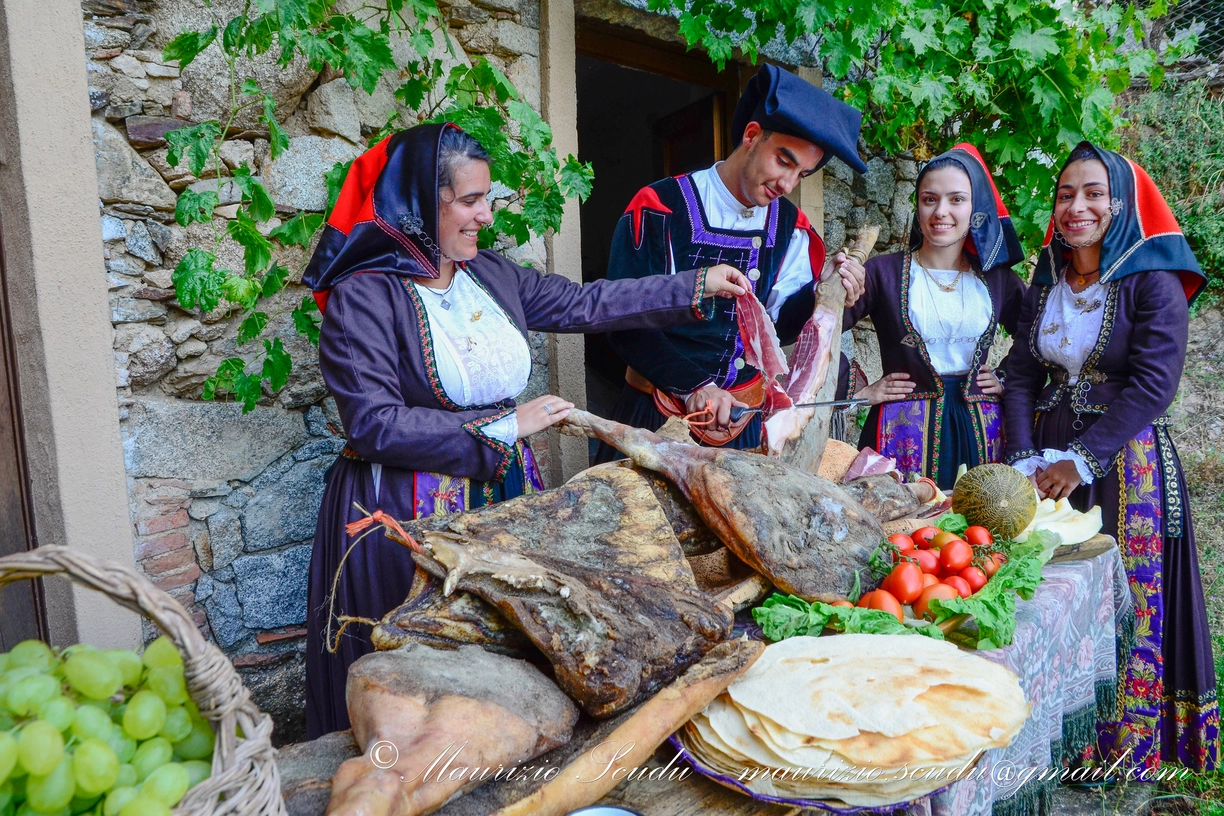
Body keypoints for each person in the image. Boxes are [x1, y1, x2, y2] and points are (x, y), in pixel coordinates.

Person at [300, 123, 749, 738]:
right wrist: (509, 424)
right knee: (412, 683)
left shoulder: (492, 276)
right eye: (469, 201)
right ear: (418, 204)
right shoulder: (364, 298)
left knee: (503, 670)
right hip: (405, 517)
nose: (485, 214)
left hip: (503, 501)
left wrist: (694, 286)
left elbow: (585, 303)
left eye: (487, 198)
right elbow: (374, 424)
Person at [1002, 142, 1217, 771]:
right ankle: (1060, 737)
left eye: (1094, 193)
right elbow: (1019, 374)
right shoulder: (1047, 279)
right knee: (1054, 595)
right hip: (1044, 458)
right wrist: (1021, 456)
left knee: (1122, 594)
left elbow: (1155, 383)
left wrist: (1081, 460)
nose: (1077, 207)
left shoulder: (1152, 278)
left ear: (1119, 204)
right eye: (1066, 194)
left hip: (1123, 463)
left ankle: (1125, 747)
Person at [592, 64, 868, 462]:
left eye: (801, 174)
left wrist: (826, 292)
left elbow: (779, 327)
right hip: (657, 420)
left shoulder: (792, 228)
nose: (788, 185)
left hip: (745, 428)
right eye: (784, 162)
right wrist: (694, 386)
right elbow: (624, 323)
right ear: (752, 136)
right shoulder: (660, 208)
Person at [842, 144, 1026, 489]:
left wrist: (1006, 378)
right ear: (918, 207)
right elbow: (818, 328)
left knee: (983, 529)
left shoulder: (997, 278)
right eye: (930, 199)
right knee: (900, 534)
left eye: (956, 200)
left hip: (983, 431)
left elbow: (1037, 336)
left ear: (976, 208)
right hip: (901, 430)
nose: (941, 211)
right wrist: (856, 391)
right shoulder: (883, 273)